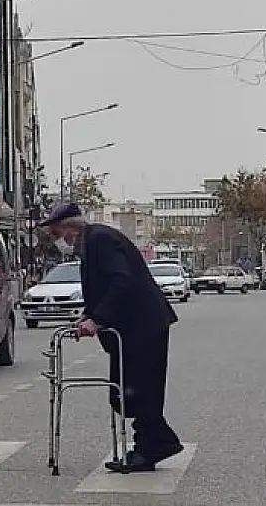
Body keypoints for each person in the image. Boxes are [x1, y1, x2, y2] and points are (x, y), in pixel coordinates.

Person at [41, 202, 183, 473]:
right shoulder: (91, 244)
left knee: (140, 390)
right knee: (127, 392)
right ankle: (156, 442)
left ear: (72, 228)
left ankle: (153, 445)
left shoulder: (101, 240)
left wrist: (98, 319)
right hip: (132, 327)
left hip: (143, 325)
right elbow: (102, 287)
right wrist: (87, 315)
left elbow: (121, 280)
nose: (57, 241)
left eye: (57, 233)